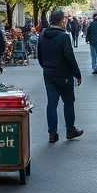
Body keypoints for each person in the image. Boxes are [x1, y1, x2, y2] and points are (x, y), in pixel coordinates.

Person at [37, 9, 83, 142]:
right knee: (68, 102)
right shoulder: (63, 36)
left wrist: (46, 67)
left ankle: (52, 133)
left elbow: (40, 55)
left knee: (51, 103)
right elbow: (70, 57)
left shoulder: (43, 35)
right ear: (62, 21)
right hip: (64, 74)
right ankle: (70, 130)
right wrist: (77, 73)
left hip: (49, 73)